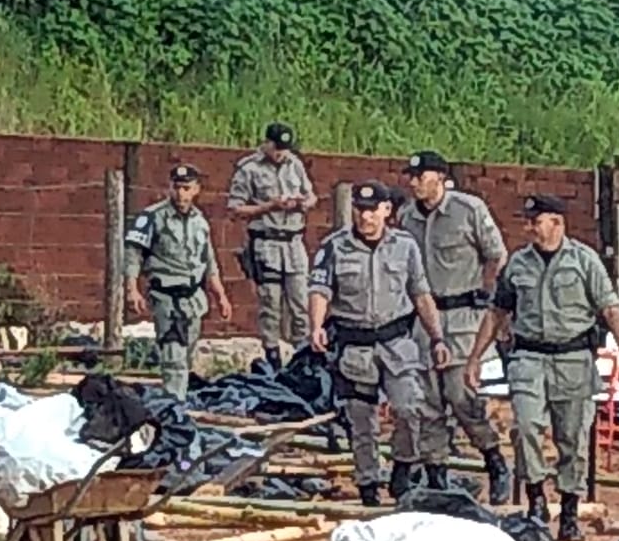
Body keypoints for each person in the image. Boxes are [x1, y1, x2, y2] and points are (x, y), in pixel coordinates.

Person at [464, 194, 619, 541]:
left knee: (572, 437)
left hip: (574, 360)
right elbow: (497, 312)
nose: (529, 227)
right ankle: (536, 500)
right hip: (529, 358)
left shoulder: (584, 261)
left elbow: (610, 309)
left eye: (535, 221)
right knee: (526, 427)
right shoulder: (518, 263)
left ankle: (570, 511)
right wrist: (475, 359)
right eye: (528, 221)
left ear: (556, 222)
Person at [309, 179, 451, 507]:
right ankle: (369, 482)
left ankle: (403, 466)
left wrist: (437, 338)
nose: (365, 217)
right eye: (360, 210)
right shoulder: (334, 247)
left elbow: (420, 293)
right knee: (361, 419)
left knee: (409, 407)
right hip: (355, 345)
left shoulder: (405, 245)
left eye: (372, 210)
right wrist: (316, 326)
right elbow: (320, 289)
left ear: (387, 210)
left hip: (396, 343)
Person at [398, 151, 511, 503]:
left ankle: (494, 460)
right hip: (425, 318)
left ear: (440, 177)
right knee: (427, 401)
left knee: (462, 396)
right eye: (411, 177)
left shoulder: (468, 209)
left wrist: (488, 292)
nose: (414, 183)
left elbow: (497, 254)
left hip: (463, 316)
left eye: (420, 176)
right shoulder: (407, 217)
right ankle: (437, 474)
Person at [124, 164, 232, 400]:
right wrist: (132, 289)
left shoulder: (200, 222)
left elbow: (209, 261)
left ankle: (176, 399)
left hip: (193, 298)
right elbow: (133, 254)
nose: (181, 194)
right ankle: (175, 406)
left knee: (187, 355)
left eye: (187, 188)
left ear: (196, 189)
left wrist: (221, 296)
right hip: (166, 297)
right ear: (170, 188)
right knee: (174, 358)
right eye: (177, 187)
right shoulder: (152, 217)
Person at [227, 122, 317, 370]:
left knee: (301, 303)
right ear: (266, 143)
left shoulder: (295, 164)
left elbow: (311, 195)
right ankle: (273, 358)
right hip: (267, 243)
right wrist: (269, 206)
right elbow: (235, 209)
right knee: (271, 305)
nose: (280, 154)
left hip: (294, 242)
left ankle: (302, 359)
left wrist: (302, 203)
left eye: (284, 149)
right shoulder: (249, 168)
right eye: (276, 148)